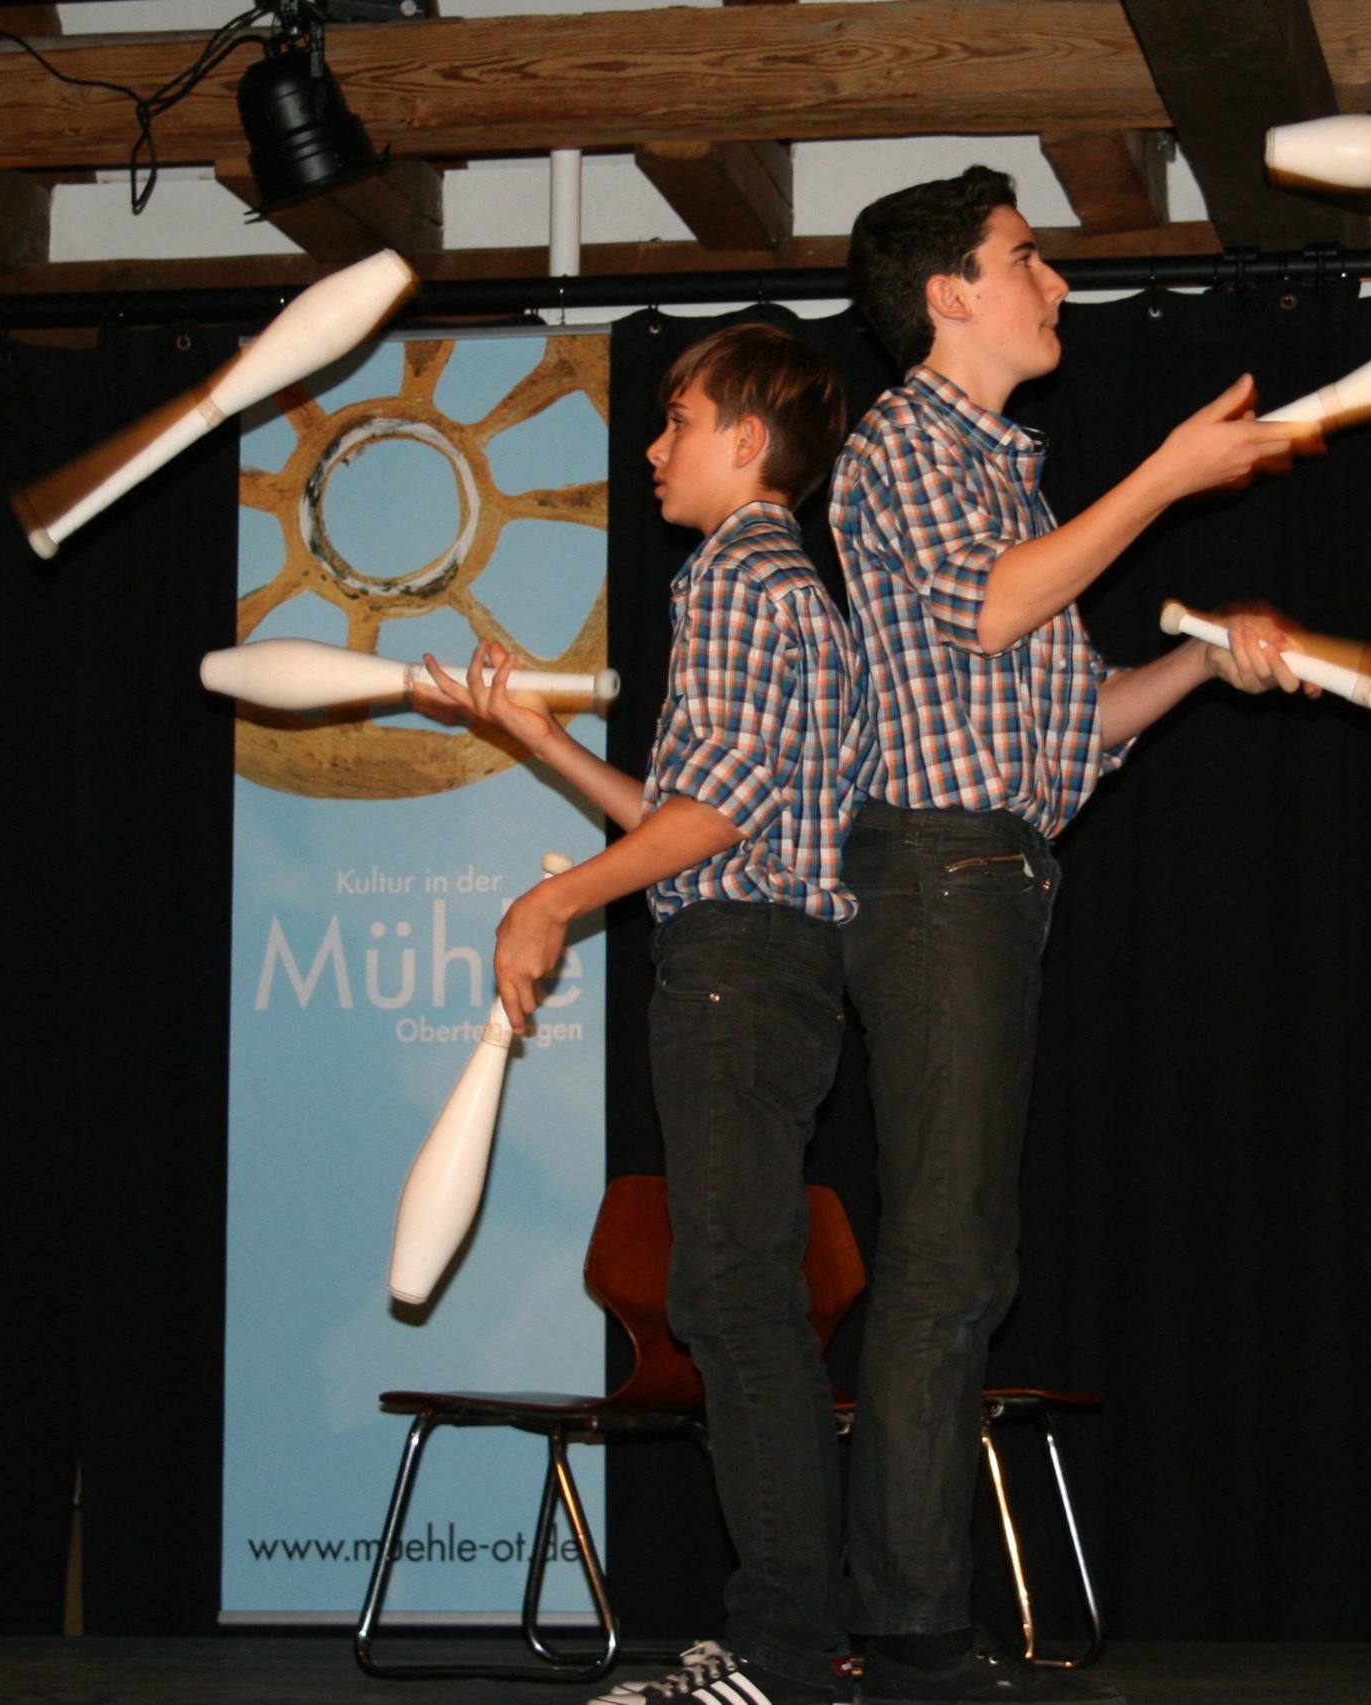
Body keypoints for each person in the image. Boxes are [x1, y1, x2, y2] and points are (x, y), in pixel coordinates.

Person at [828, 166, 1321, 1705]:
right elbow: (984, 611)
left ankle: (917, 1621)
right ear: (950, 294)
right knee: (947, 1258)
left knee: (967, 1253)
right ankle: (913, 1634)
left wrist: (1205, 667)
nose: (1056, 284)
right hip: (937, 876)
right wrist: (1165, 477)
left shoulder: (1008, 480)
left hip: (989, 873)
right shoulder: (902, 444)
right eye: (1027, 258)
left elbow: (1073, 727)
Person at [414, 321, 872, 1705]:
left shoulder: (737, 574)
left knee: (733, 1299)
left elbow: (712, 821)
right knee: (735, 1295)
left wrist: (552, 902)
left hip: (741, 965)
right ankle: (794, 1636)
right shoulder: (785, 582)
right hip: (765, 963)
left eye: (679, 420)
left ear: (749, 441)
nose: (656, 445)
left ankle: (789, 1648)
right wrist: (543, 740)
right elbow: (696, 812)